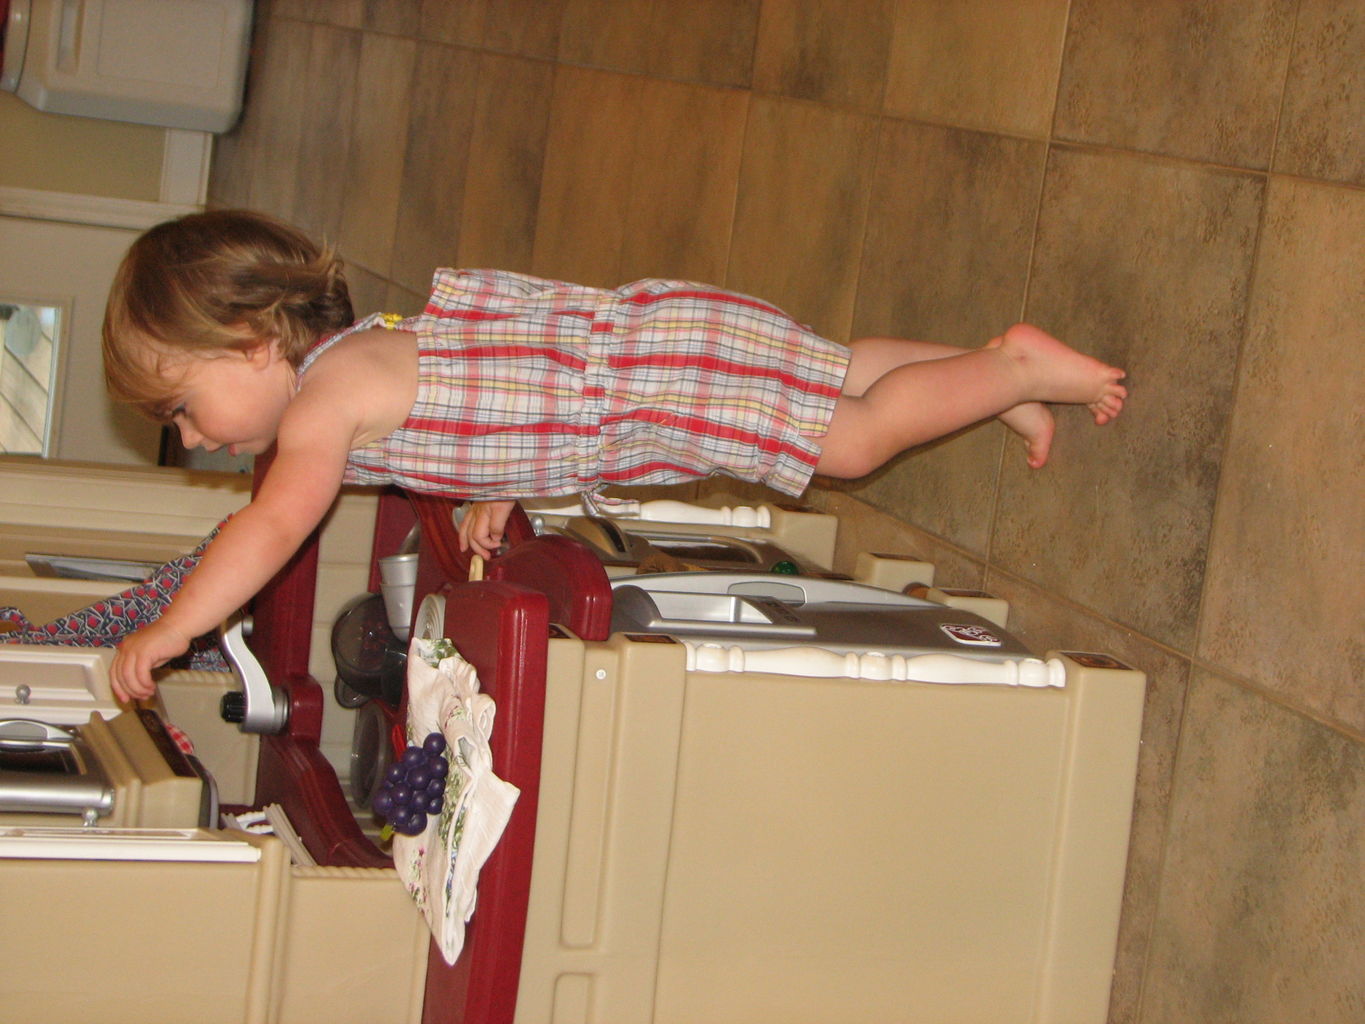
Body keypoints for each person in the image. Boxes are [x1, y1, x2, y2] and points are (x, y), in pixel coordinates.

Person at [101, 209, 1127, 701]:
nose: (192, 439)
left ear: (247, 342)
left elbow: (273, 522)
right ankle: (994, 382)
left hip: (646, 384)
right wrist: (503, 481)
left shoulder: (322, 407)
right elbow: (488, 378)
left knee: (849, 442)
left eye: (183, 408)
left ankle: (1016, 367)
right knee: (837, 373)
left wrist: (172, 628)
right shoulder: (356, 355)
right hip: (646, 354)